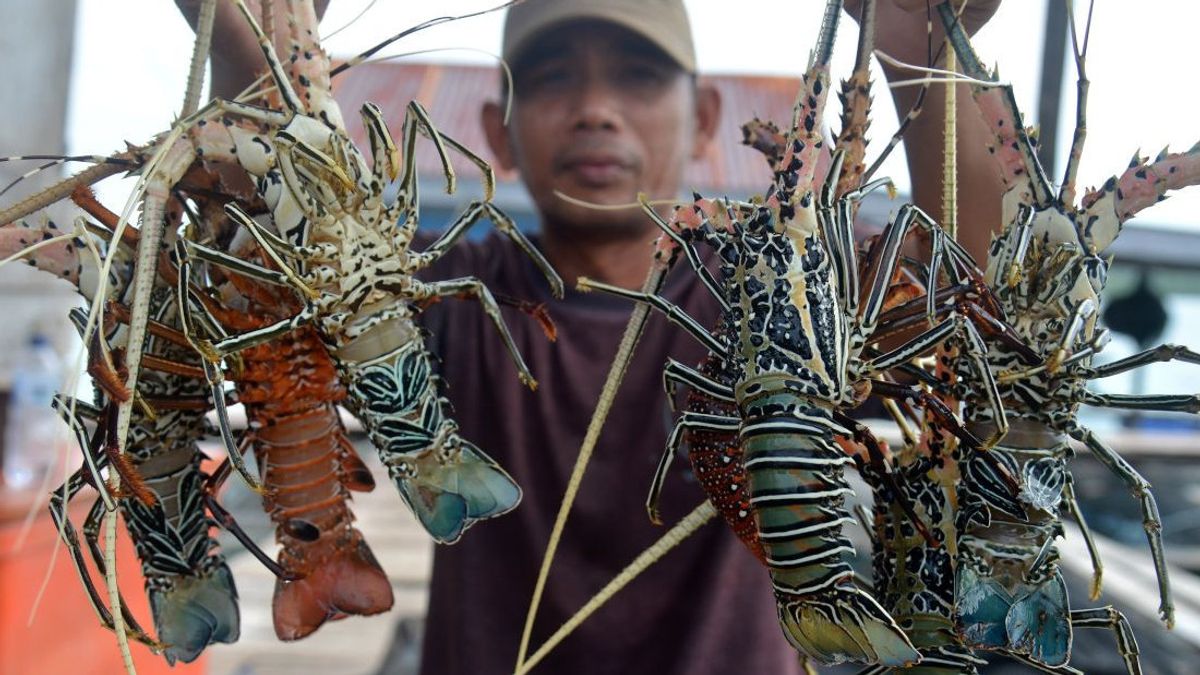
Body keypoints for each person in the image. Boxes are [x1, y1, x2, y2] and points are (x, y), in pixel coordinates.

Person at [177, 1, 1003, 673]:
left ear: (705, 117)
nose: (595, 111)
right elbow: (271, 259)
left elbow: (969, 283)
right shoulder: (443, 294)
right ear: (498, 131)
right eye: (551, 80)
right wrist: (259, 37)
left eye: (638, 76)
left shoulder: (769, 292)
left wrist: (915, 38)